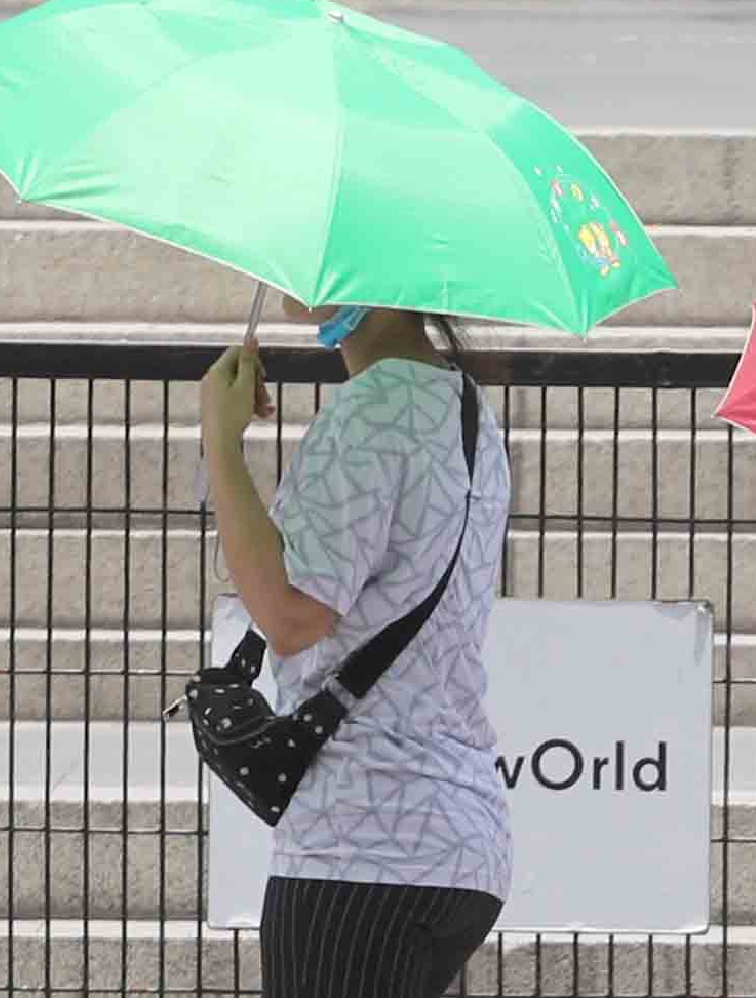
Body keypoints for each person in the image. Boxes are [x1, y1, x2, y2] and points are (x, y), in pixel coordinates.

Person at [199, 299, 512, 998]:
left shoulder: (371, 409)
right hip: (457, 838)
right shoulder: (466, 409)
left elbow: (291, 614)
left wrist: (221, 442)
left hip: (361, 841)